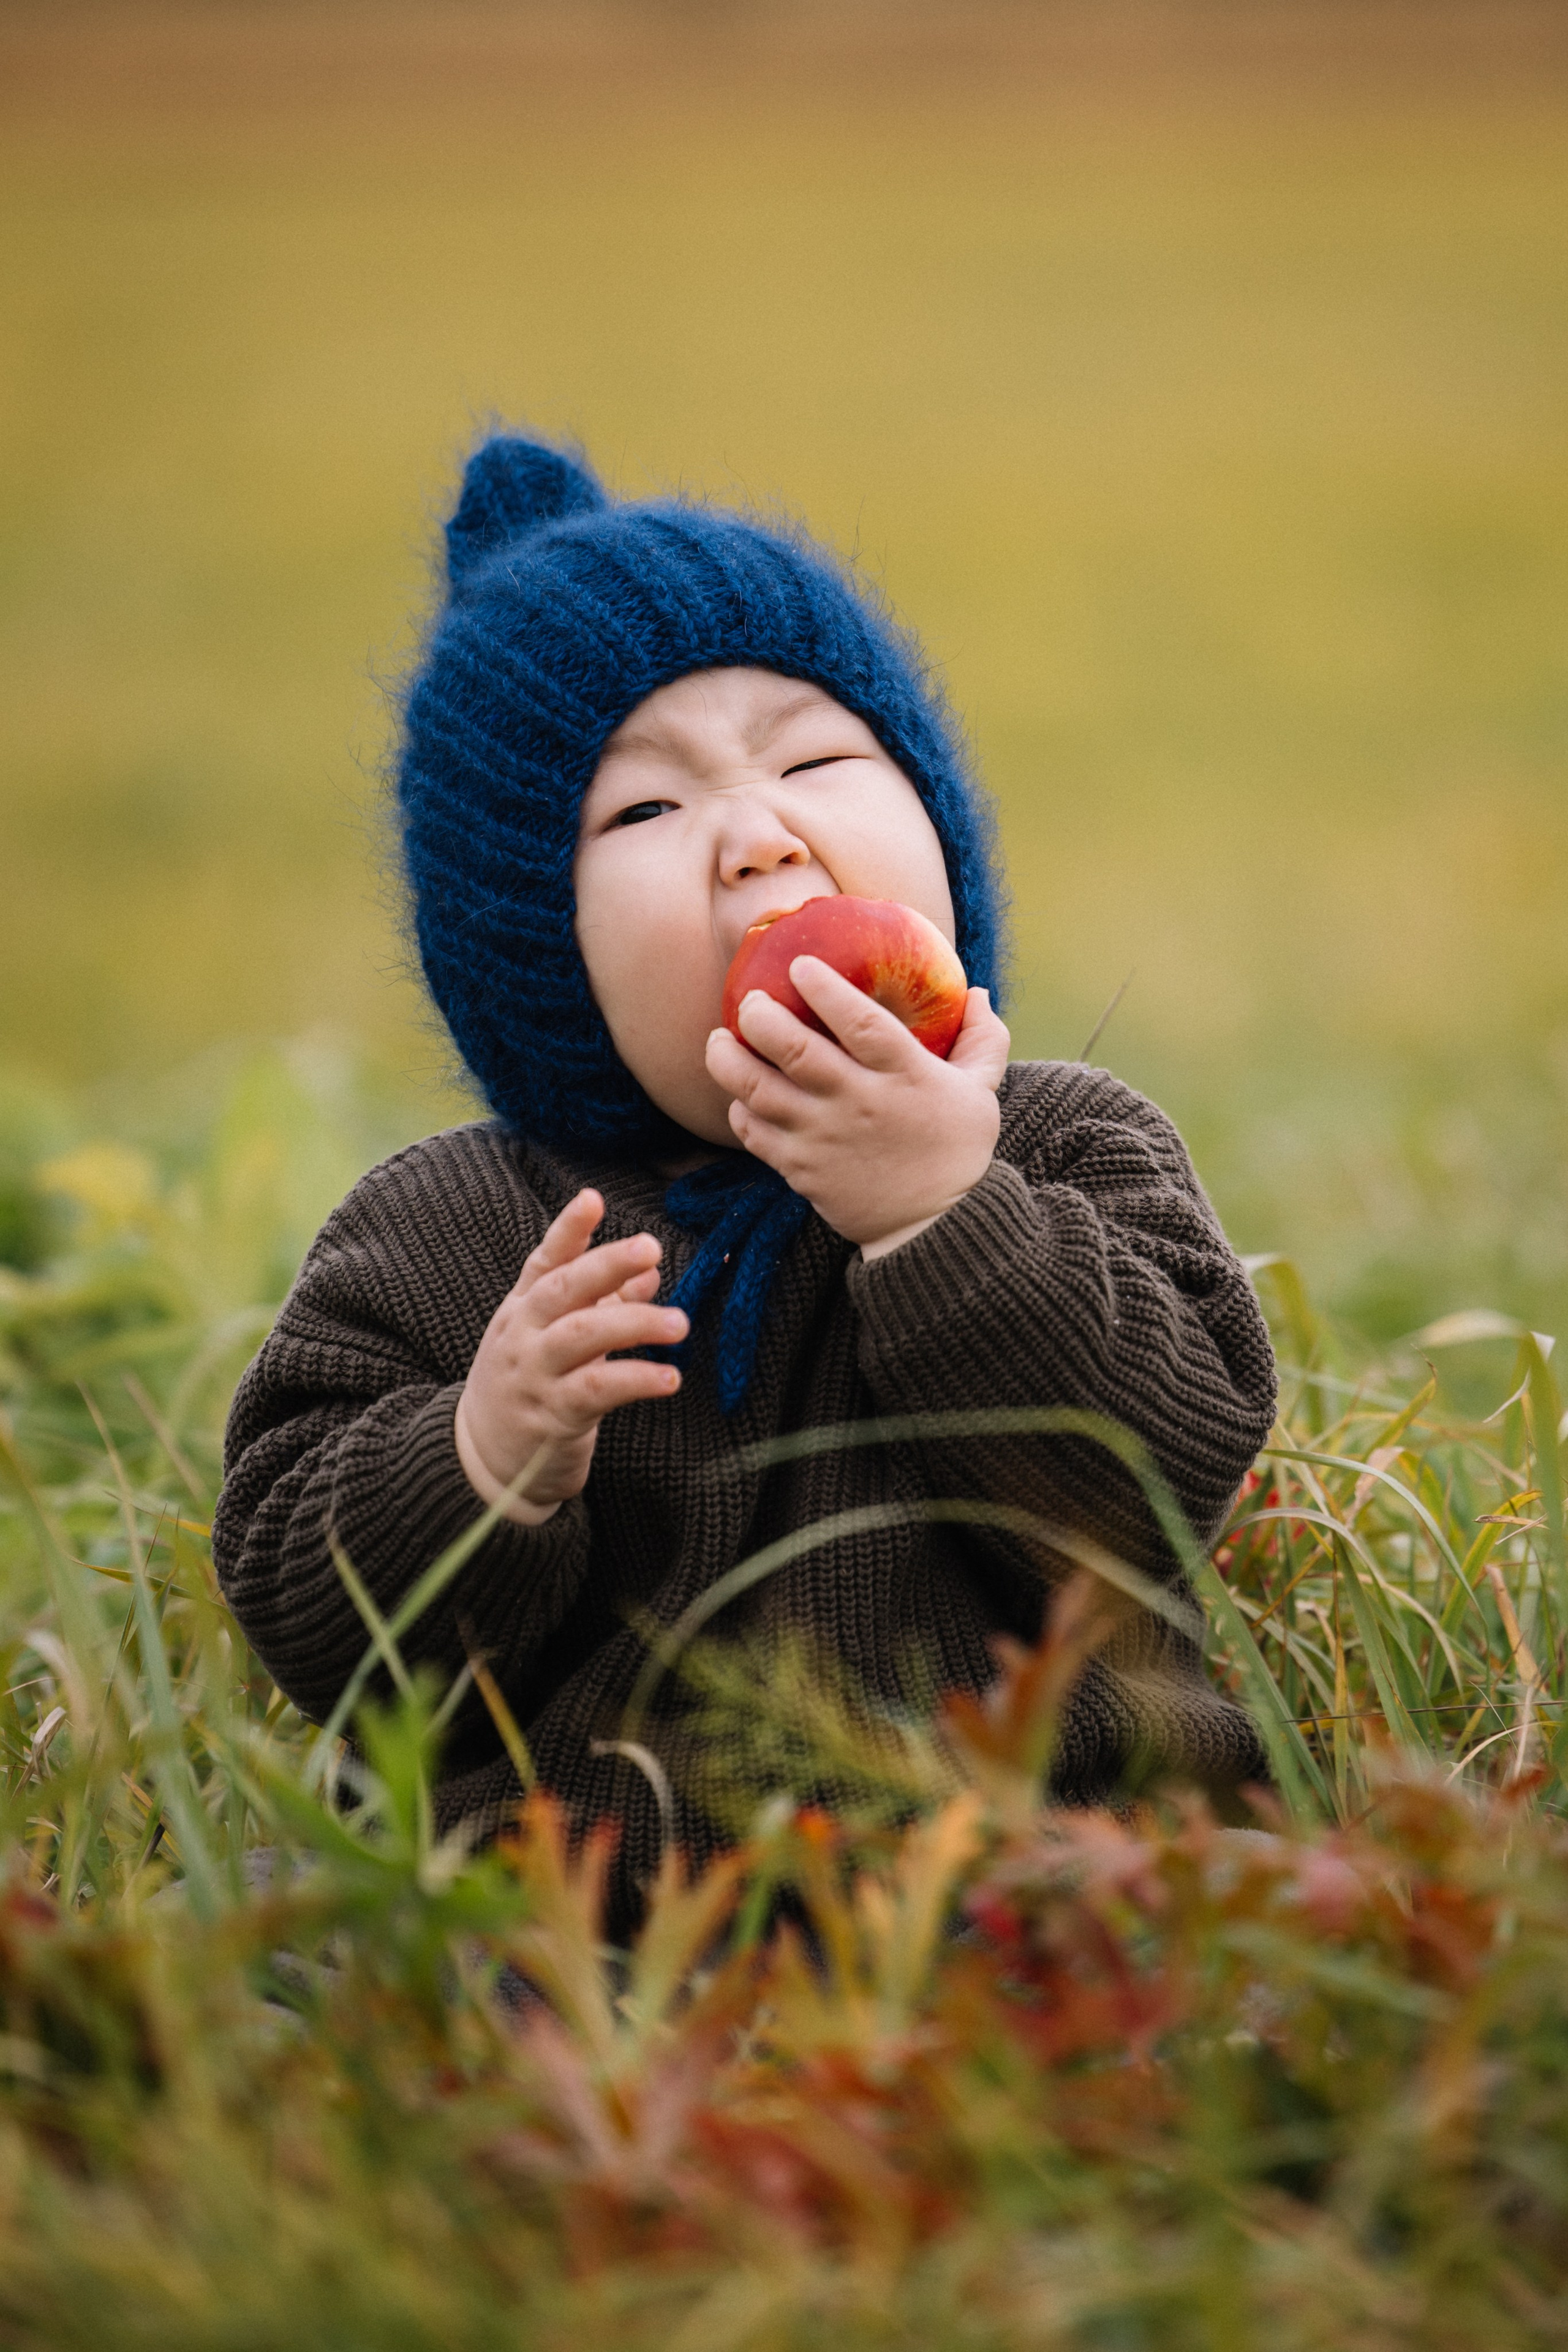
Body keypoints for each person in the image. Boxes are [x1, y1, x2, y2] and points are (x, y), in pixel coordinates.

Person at [213, 434, 1277, 1925]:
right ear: (532, 961)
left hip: (1040, 1871)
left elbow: (1161, 1497)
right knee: (311, 1944)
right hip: (605, 1915)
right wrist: (481, 1454)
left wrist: (943, 1222)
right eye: (643, 812)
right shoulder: (448, 1238)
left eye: (816, 760)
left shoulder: (1057, 1149)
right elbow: (312, 1623)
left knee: (1228, 1949)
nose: (758, 837)